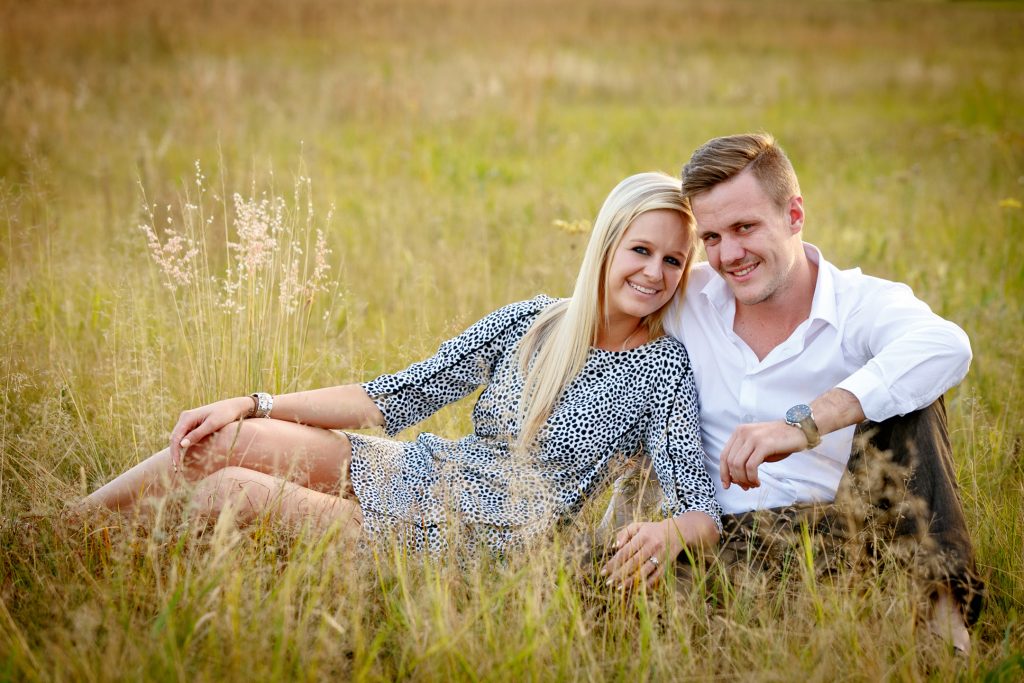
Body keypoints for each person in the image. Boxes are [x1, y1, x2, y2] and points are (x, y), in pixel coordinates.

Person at [82, 172, 722, 576]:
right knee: (218, 444)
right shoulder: (534, 322)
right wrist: (253, 403)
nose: (655, 273)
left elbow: (702, 510)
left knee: (232, 494)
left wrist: (673, 530)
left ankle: (114, 568)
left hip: (483, 536)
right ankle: (59, 533)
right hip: (426, 471)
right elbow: (398, 396)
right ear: (606, 247)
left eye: (674, 260)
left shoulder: (662, 367)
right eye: (641, 250)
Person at [659, 132, 982, 652]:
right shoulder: (688, 296)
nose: (729, 255)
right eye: (712, 238)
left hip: (846, 535)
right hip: (724, 540)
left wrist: (805, 423)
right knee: (599, 583)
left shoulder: (860, 302)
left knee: (909, 391)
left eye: (745, 227)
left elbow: (947, 346)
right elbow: (600, 309)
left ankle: (942, 626)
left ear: (793, 214)